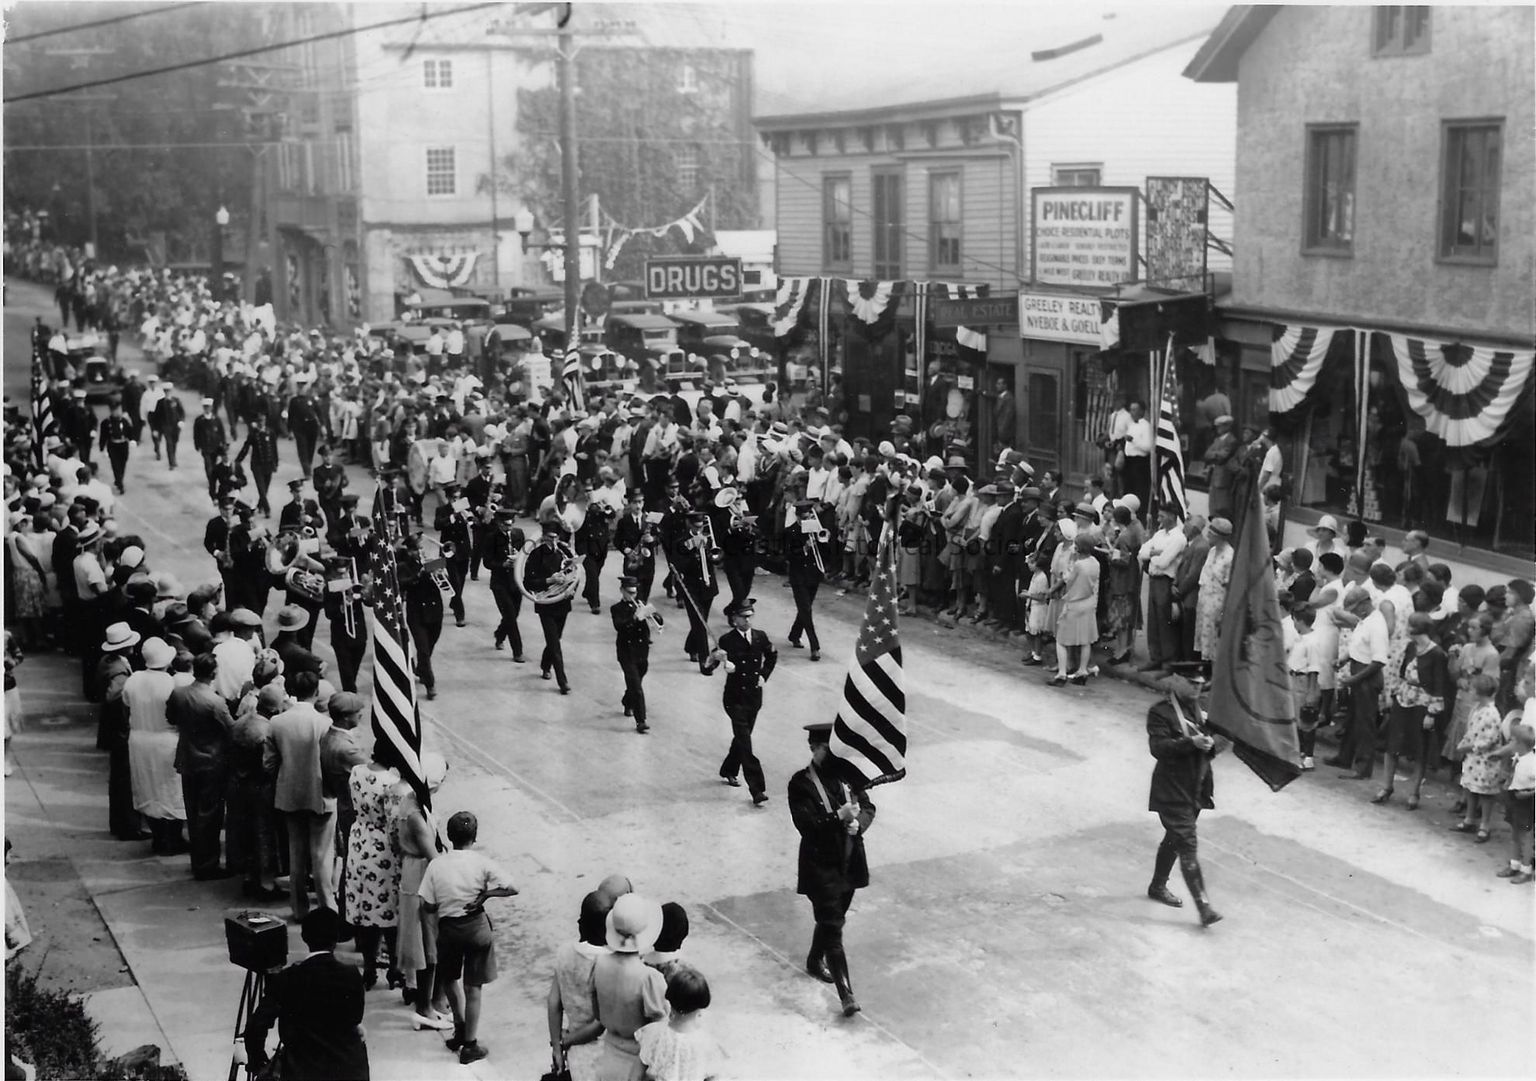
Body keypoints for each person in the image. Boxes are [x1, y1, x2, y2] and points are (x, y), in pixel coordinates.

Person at [788, 721, 876, 1016]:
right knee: (834, 927)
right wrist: (838, 816)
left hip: (849, 863)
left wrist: (857, 823)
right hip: (820, 866)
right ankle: (846, 995)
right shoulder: (800, 784)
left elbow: (868, 806)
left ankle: (815, 959)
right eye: (827, 749)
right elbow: (807, 826)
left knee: (832, 920)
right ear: (814, 748)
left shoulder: (848, 775)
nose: (833, 755)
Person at [418, 810, 519, 1065]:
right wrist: (485, 895)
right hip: (476, 930)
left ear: (449, 836)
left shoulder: (436, 865)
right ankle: (470, 1045)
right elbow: (513, 887)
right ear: (474, 837)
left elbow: (427, 905)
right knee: (473, 988)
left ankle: (460, 1028)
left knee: (450, 979)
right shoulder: (481, 862)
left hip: (449, 930)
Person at [244, 907, 370, 1081]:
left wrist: (259, 1063)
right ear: (336, 939)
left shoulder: (287, 978)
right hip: (350, 1072)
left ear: (304, 937)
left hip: (303, 1072)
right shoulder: (352, 975)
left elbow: (255, 1026)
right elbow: (355, 1019)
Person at [1145, 674, 1223, 926]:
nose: (1198, 687)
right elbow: (1158, 748)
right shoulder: (1160, 712)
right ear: (1175, 681)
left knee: (1175, 838)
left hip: (1195, 788)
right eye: (1192, 682)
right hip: (1172, 789)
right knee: (1187, 843)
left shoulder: (1202, 709)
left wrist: (1216, 744)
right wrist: (1191, 742)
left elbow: (1209, 751)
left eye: (1201, 683)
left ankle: (1157, 886)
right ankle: (1204, 907)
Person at [265, 670, 337, 918]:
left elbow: (269, 763)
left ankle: (299, 908)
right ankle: (327, 908)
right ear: (316, 693)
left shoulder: (277, 722)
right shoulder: (325, 723)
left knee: (296, 854)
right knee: (322, 856)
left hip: (289, 792)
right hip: (320, 793)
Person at [392, 751, 452, 1029]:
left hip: (413, 871)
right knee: (427, 945)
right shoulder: (415, 813)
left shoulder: (410, 802)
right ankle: (424, 1008)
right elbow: (433, 856)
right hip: (420, 877)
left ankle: (431, 1003)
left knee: (430, 943)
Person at [703, 598, 778, 805]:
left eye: (750, 616)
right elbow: (707, 669)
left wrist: (764, 675)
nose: (748, 620)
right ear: (734, 619)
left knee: (741, 739)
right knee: (746, 743)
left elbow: (772, 656)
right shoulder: (726, 641)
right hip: (734, 699)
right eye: (743, 617)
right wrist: (714, 659)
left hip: (754, 698)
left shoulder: (760, 637)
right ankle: (757, 789)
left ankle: (728, 769)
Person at [166, 651, 234, 879]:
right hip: (212, 763)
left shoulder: (179, 693)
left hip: (188, 758)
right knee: (210, 815)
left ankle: (199, 860)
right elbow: (231, 730)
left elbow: (172, 718)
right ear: (214, 673)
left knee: (193, 812)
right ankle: (207, 864)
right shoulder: (215, 702)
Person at [342, 739, 402, 990]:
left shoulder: (357, 772)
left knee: (365, 907)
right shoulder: (391, 782)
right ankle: (394, 967)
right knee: (389, 908)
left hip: (359, 840)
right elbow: (393, 820)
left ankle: (369, 965)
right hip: (382, 846)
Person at [1373, 612, 1449, 810]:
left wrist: (1432, 713)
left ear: (1416, 629)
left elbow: (1440, 685)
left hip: (1422, 705)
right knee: (1392, 745)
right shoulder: (1410, 647)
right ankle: (1386, 786)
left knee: (1419, 750)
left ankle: (1414, 792)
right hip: (1403, 699)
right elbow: (1401, 673)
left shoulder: (1437, 654)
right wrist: (1393, 695)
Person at [592, 894, 669, 1081]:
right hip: (637, 1066)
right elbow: (659, 1031)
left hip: (607, 1058)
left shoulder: (599, 964)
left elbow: (596, 1012)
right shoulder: (649, 977)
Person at [124, 637, 187, 855]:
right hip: (166, 740)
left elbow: (126, 706)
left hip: (140, 740)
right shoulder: (173, 683)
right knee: (171, 790)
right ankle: (173, 838)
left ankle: (159, 837)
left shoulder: (133, 679)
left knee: (147, 787)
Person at [547, 891, 609, 1081]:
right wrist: (566, 1042)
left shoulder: (564, 952)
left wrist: (558, 1046)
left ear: (580, 924)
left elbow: (553, 1002)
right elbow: (601, 1024)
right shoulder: (608, 962)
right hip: (604, 1051)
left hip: (576, 1051)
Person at [1334, 588, 1390, 780]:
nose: (1353, 613)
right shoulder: (1364, 622)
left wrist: (1354, 679)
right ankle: (1344, 757)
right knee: (1351, 719)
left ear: (1365, 604)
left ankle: (1363, 767)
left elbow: (1379, 660)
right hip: (1357, 669)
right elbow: (1358, 646)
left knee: (1365, 723)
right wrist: (1344, 659)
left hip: (1367, 676)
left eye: (1355, 609)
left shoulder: (1377, 625)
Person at [636, 966, 724, 1081]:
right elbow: (712, 1077)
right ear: (701, 1007)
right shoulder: (706, 1042)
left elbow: (641, 1071)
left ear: (670, 1001)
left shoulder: (651, 1034)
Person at [1453, 674, 1511, 842]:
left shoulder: (1491, 713)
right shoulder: (1477, 709)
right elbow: (1471, 731)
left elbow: (1489, 740)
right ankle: (1469, 819)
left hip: (1486, 760)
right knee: (1470, 788)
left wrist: (1468, 747)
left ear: (1479, 692)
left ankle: (1485, 824)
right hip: (1473, 758)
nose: (1470, 692)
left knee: (1485, 793)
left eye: (1472, 689)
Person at [1050, 529, 1102, 687]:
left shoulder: (1078, 564)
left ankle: (1062, 674)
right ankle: (1082, 671)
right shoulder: (1095, 562)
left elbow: (1068, 580)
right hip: (1089, 603)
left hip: (1075, 603)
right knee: (1085, 640)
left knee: (1061, 640)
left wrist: (1068, 566)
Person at [612, 575, 661, 734]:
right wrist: (634, 618)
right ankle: (641, 721)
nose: (633, 596)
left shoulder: (642, 605)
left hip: (642, 652)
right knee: (637, 687)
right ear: (622, 591)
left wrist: (654, 616)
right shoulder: (617, 608)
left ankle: (627, 701)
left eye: (635, 592)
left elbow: (658, 623)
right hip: (626, 652)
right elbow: (619, 626)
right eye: (629, 593)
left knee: (636, 682)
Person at [484, 511, 527, 662]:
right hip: (500, 583)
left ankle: (499, 634)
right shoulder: (491, 537)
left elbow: (525, 553)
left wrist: (519, 558)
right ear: (499, 523)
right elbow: (487, 562)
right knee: (510, 616)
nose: (509, 528)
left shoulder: (518, 534)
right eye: (505, 525)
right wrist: (503, 564)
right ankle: (518, 652)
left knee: (514, 614)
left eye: (511, 524)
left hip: (516, 581)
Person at [785, 500, 824, 661]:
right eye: (804, 518)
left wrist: (822, 539)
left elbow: (825, 552)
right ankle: (815, 646)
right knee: (806, 610)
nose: (807, 521)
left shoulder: (816, 529)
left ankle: (794, 634)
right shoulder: (790, 532)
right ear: (798, 517)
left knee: (805, 608)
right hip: (798, 576)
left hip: (813, 574)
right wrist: (804, 548)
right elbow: (788, 555)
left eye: (809, 517)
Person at [1192, 518, 1234, 664]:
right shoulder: (1212, 551)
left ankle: (1214, 672)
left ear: (1220, 536)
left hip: (1218, 602)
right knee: (1203, 635)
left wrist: (1224, 613)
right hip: (1204, 598)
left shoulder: (1230, 557)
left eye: (1211, 533)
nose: (1208, 535)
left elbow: (1230, 587)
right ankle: (1204, 667)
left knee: (1214, 638)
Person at [1498, 723, 1534, 884]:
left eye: (1512, 740)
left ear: (1519, 744)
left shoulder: (1530, 763)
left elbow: (1527, 788)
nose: (1510, 743)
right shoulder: (1519, 758)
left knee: (1526, 836)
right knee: (1514, 833)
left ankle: (1526, 869)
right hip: (1514, 800)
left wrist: (1529, 793)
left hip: (1525, 803)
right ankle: (1514, 864)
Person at [99, 398, 134, 493]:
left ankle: (119, 480)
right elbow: (103, 436)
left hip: (123, 445)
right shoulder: (106, 423)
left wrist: (132, 440)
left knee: (122, 464)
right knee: (115, 465)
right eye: (115, 410)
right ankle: (120, 484)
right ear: (111, 411)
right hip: (113, 445)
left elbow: (129, 432)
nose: (117, 412)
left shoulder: (124, 421)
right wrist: (102, 449)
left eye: (119, 409)